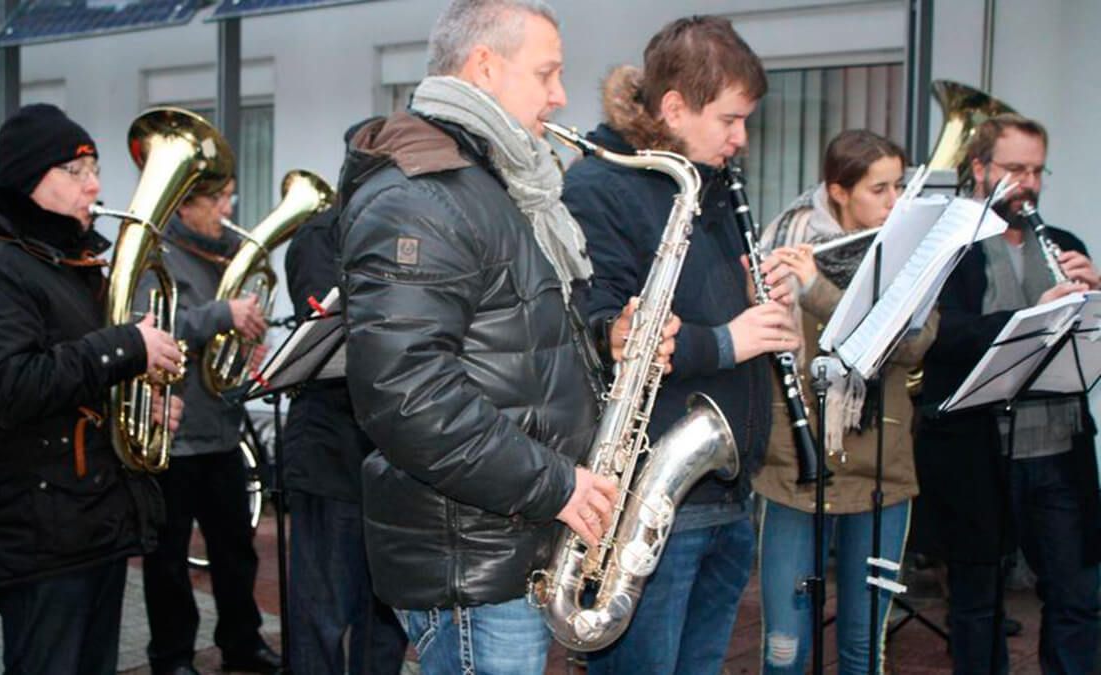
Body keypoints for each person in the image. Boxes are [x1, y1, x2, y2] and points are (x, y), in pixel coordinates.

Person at [335, 0, 682, 671]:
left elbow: (510, 340)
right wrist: (558, 486)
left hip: (505, 542)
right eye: (547, 73)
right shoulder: (420, 197)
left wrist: (607, 340)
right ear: (485, 66)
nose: (559, 96)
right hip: (473, 560)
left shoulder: (497, 183)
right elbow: (406, 398)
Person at [560, 16, 798, 675]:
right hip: (650, 503)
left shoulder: (713, 180)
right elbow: (600, 332)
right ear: (673, 108)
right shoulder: (597, 186)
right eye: (729, 119)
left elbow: (705, 304)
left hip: (724, 487)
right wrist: (728, 339)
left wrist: (762, 298)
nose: (740, 137)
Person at [0, 103, 183, 674]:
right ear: (28, 177)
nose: (93, 184)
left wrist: (142, 406)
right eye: (74, 171)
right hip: (41, 527)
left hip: (93, 516)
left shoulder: (67, 258)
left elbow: (80, 378)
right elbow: (11, 386)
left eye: (94, 167)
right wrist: (125, 347)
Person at [913, 112, 1100, 674]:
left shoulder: (1064, 242)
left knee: (1079, 597)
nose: (1030, 183)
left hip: (1059, 448)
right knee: (978, 602)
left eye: (1038, 170)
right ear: (979, 168)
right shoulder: (951, 247)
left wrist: (1091, 296)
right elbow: (938, 335)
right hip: (979, 450)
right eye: (1015, 168)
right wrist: (1026, 318)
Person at [753, 130, 939, 672]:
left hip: (882, 466)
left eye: (899, 185)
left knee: (863, 648)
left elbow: (911, 343)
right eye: (879, 189)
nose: (894, 201)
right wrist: (760, 284)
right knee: (784, 650)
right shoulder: (787, 241)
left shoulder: (913, 258)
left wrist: (817, 292)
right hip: (796, 465)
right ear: (838, 190)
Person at [138, 176, 282, 675]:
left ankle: (242, 641)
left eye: (229, 197)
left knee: (235, 551)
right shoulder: (157, 256)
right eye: (217, 200)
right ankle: (172, 655)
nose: (227, 208)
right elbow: (150, 328)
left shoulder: (232, 254)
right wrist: (223, 314)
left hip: (222, 427)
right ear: (186, 206)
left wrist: (248, 342)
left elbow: (237, 332)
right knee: (169, 560)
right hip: (173, 435)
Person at [280, 208, 408, 675]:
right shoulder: (321, 234)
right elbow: (327, 334)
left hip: (392, 457)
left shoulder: (404, 227)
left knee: (385, 615)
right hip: (331, 453)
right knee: (322, 614)